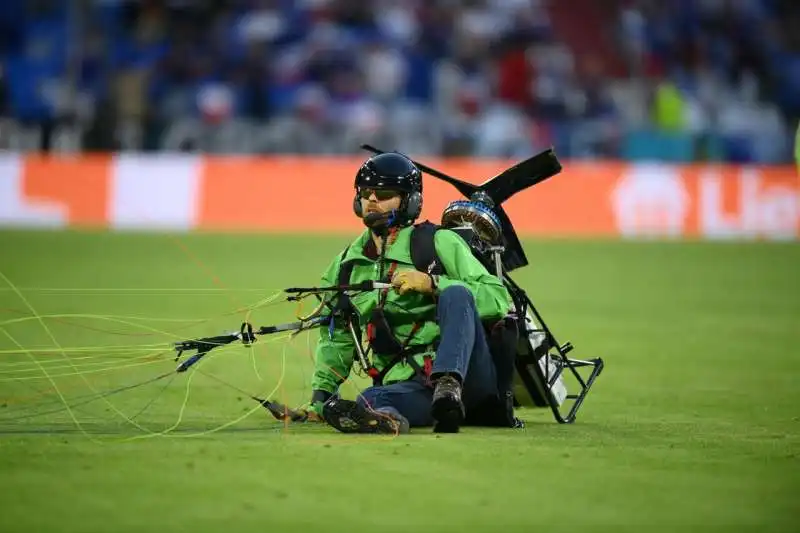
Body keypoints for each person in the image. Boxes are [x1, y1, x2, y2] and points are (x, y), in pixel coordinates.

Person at [306, 151, 519, 434]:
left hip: (470, 377)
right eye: (366, 192)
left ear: (411, 201)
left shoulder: (440, 242)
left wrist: (433, 285)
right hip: (413, 387)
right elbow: (338, 337)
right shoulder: (347, 266)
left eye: (384, 194)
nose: (371, 200)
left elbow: (498, 298)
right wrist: (320, 400)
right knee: (369, 399)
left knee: (456, 292)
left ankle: (448, 385)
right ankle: (387, 419)